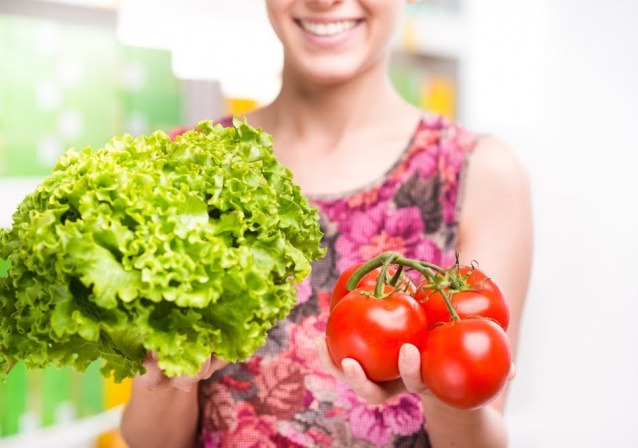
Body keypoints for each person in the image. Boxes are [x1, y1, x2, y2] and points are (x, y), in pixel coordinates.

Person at [120, 0, 533, 446]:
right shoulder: (187, 163)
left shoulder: (480, 172)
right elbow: (151, 440)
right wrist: (173, 371)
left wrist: (439, 390)